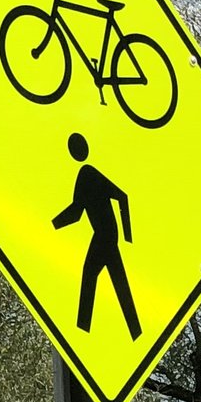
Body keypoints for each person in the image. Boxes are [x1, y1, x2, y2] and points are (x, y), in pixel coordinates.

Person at [51, 132, 139, 338]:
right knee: (119, 283)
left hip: (105, 235)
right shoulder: (85, 174)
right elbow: (76, 213)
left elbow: (122, 196)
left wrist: (129, 237)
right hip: (106, 235)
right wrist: (52, 225)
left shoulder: (88, 173)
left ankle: (82, 331)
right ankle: (134, 331)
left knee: (90, 275)